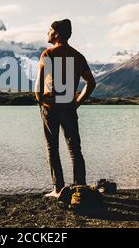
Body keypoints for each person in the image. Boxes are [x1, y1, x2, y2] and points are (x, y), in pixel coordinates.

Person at [35, 19, 96, 198]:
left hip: (50, 107)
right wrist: (77, 102)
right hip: (69, 107)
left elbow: (38, 88)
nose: (47, 33)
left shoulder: (47, 53)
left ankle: (58, 189)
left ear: (56, 33)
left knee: (52, 147)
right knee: (74, 148)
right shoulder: (78, 56)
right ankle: (80, 187)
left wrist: (41, 103)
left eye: (49, 30)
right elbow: (91, 83)